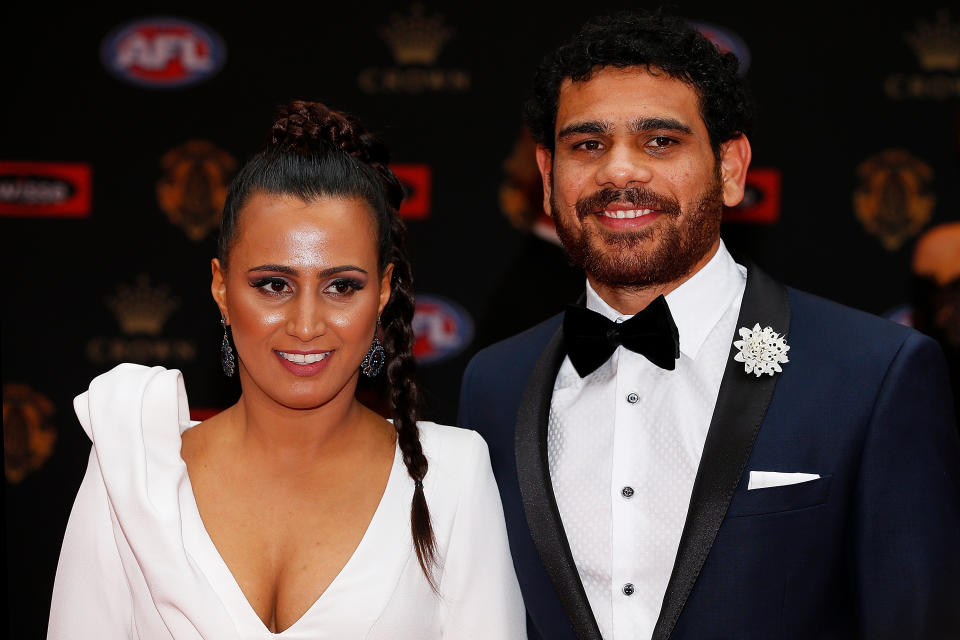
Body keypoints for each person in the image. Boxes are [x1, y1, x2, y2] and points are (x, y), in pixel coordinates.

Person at [457, 10, 960, 640]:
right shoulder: (494, 385)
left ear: (731, 169)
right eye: (587, 144)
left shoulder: (875, 374)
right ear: (548, 173)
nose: (619, 172)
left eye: (660, 141)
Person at [48, 100, 526, 639]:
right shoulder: (131, 465)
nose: (306, 325)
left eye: (341, 286)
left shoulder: (451, 475)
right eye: (273, 284)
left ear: (383, 292)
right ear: (221, 288)